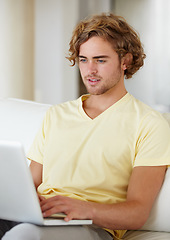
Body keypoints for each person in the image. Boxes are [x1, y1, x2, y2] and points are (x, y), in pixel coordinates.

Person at [1, 13, 170, 240]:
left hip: (90, 226)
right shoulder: (56, 115)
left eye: (100, 60)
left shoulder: (149, 124)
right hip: (43, 216)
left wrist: (84, 209)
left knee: (25, 235)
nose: (89, 70)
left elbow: (138, 211)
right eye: (83, 59)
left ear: (125, 61)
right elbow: (30, 183)